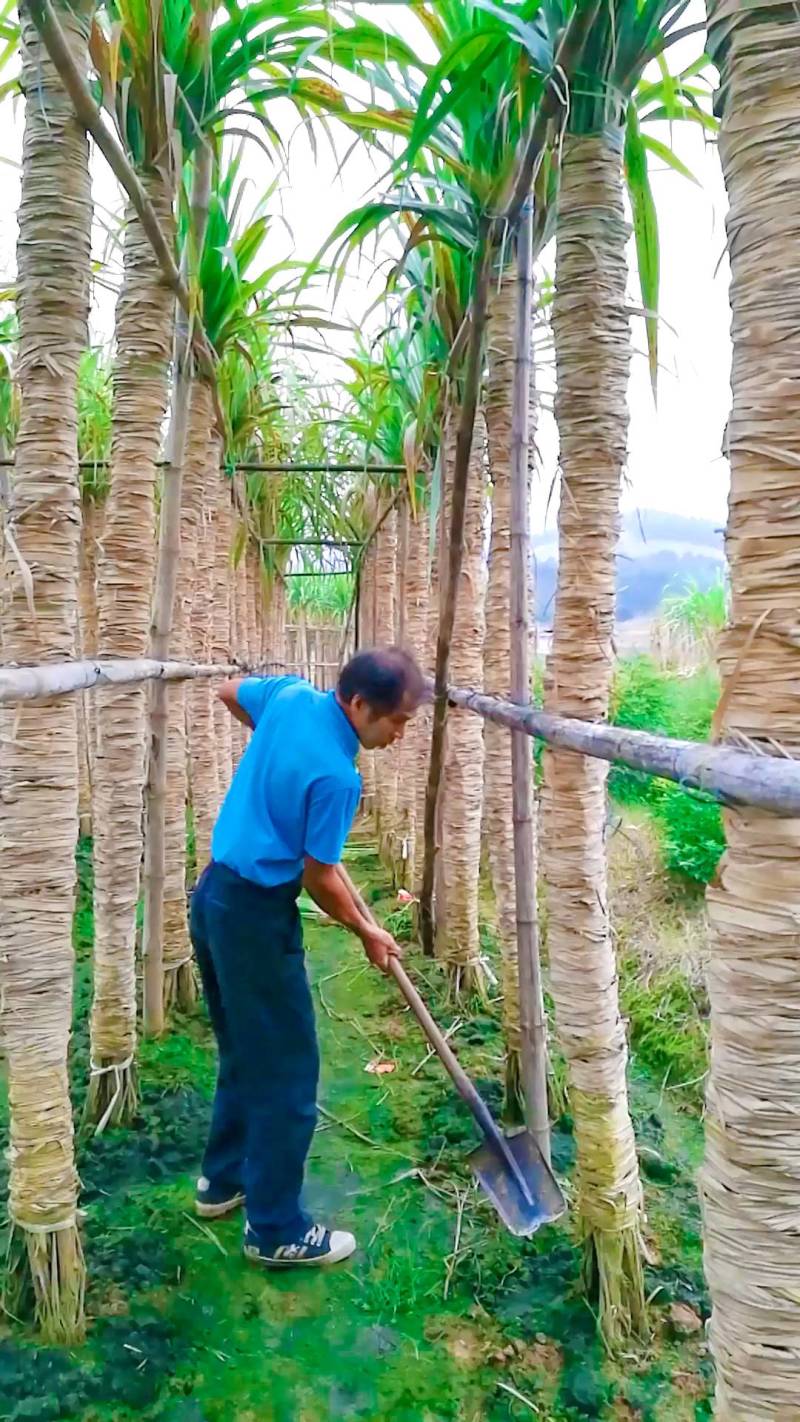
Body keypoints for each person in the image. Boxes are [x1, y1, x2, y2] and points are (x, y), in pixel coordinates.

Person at [189, 646, 424, 1270]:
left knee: (244, 1049)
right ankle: (274, 1229)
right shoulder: (338, 778)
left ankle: (224, 1181)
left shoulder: (290, 698)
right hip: (256, 921)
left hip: (213, 897)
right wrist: (366, 932)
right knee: (289, 1074)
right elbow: (321, 878)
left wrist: (272, 751)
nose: (400, 735)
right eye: (395, 721)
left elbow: (230, 691)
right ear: (358, 704)